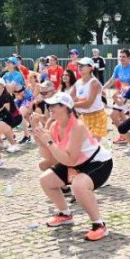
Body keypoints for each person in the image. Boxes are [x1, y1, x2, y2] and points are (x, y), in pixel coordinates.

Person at [33, 92, 113, 241]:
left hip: (98, 163)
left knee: (79, 185)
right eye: (49, 105)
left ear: (65, 107)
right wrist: (39, 136)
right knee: (46, 180)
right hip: (76, 162)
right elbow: (50, 157)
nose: (49, 108)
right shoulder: (54, 125)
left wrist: (49, 142)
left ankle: (99, 225)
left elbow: (70, 160)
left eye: (54, 105)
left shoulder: (77, 126)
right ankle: (65, 214)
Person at [71, 58, 107, 140]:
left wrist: (70, 104)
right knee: (84, 145)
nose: (80, 67)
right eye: (79, 65)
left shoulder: (94, 83)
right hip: (84, 117)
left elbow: (88, 104)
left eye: (83, 65)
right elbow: (69, 98)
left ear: (91, 68)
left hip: (98, 117)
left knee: (93, 146)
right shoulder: (78, 83)